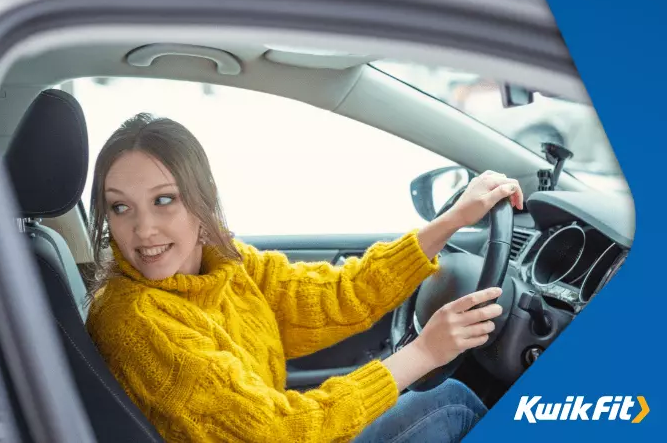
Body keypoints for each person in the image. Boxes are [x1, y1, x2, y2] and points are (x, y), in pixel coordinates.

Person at [85, 113, 525, 443]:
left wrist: (451, 221)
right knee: (449, 405)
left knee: (449, 398)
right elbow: (280, 431)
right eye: (121, 207)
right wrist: (425, 352)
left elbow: (337, 295)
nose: (142, 230)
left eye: (164, 200)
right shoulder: (135, 321)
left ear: (203, 205)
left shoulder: (226, 266)